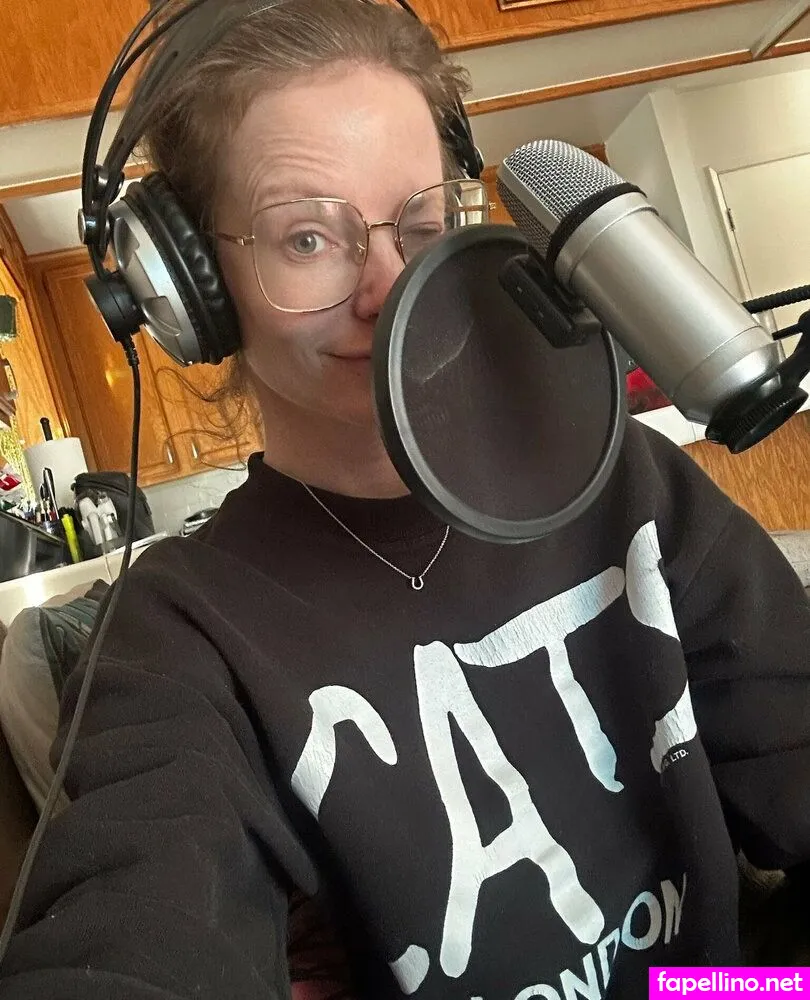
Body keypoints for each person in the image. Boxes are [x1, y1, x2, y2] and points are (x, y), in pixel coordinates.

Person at [1, 0, 809, 997]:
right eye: (307, 237)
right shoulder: (177, 635)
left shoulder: (624, 479)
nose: (390, 289)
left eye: (419, 225)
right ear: (193, 290)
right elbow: (134, 927)